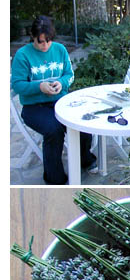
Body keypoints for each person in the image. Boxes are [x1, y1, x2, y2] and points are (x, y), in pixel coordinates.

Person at [11, 15, 97, 185]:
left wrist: (61, 83)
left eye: (48, 41)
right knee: (53, 130)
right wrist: (39, 87)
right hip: (34, 107)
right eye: (40, 41)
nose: (45, 46)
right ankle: (55, 179)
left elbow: (69, 75)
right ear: (32, 36)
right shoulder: (22, 55)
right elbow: (18, 85)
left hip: (60, 101)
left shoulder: (60, 49)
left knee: (83, 123)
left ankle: (85, 160)